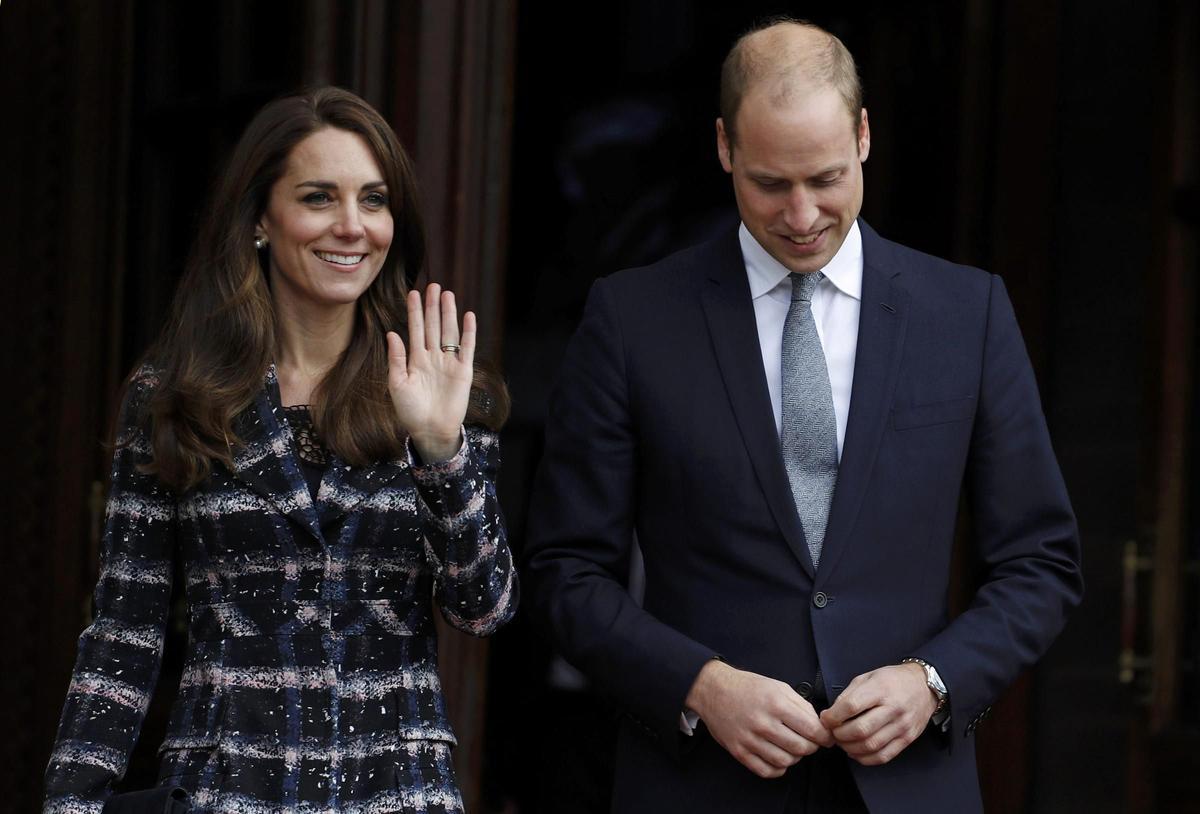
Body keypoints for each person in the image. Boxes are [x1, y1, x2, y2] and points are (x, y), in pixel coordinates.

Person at [524, 18, 1082, 813]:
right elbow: (565, 574)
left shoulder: (968, 314)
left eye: (824, 178)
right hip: (699, 785)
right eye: (768, 183)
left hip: (908, 786)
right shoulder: (631, 319)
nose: (800, 213)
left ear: (862, 136)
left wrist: (934, 680)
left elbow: (1042, 561)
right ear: (723, 148)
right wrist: (699, 687)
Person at [44, 86, 516, 814]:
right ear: (262, 217)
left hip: (396, 793)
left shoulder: (440, 382)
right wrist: (73, 804)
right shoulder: (177, 393)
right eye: (320, 198)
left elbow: (483, 609)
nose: (353, 226)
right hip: (225, 790)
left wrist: (440, 449)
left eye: (375, 200)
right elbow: (124, 634)